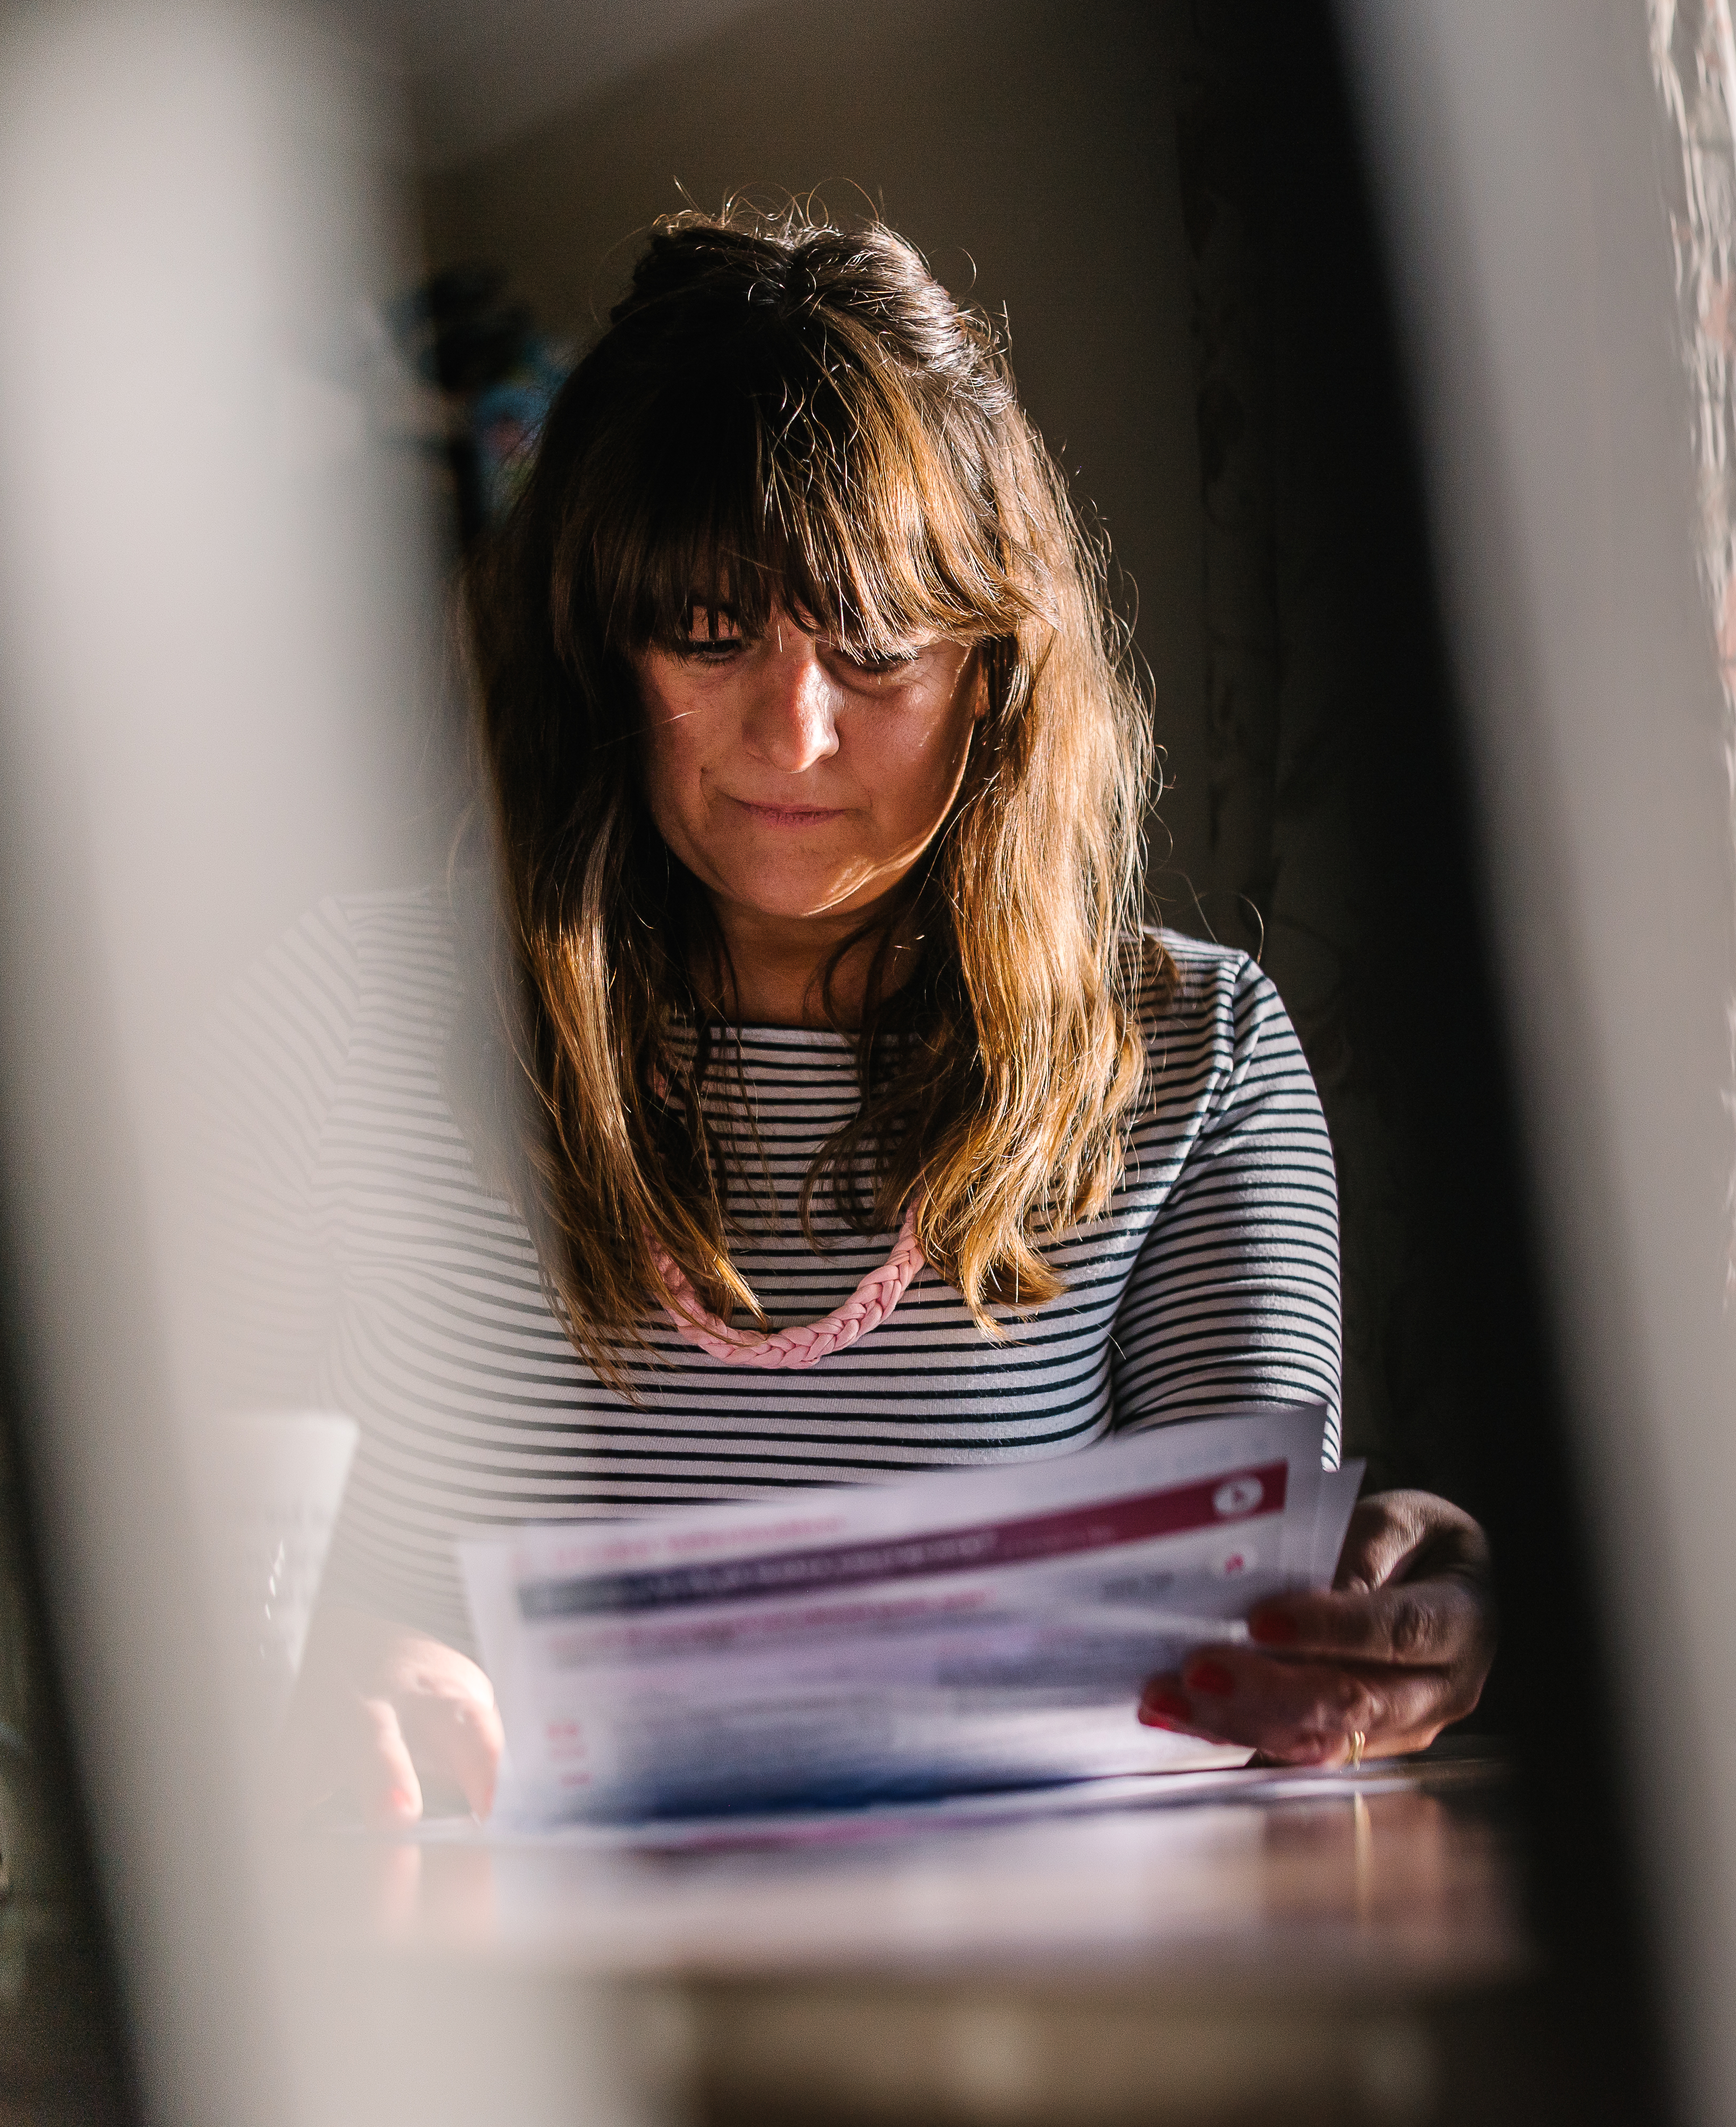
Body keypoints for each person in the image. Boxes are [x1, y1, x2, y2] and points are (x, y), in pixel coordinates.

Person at [225, 207, 1494, 1822]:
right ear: (598, 653)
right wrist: (285, 1653)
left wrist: (1373, 1644)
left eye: (878, 646)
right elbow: (93, 1535)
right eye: (707, 631)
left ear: (994, 667)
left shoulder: (1194, 1061)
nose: (795, 731)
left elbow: (1248, 1672)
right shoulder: (348, 1021)